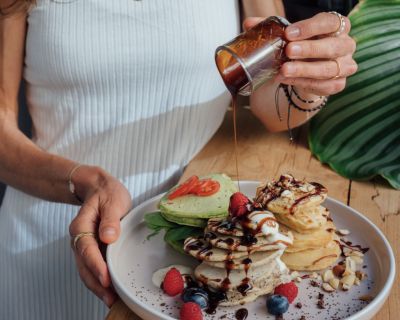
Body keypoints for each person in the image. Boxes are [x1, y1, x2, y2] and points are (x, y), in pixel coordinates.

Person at [0, 0, 357, 319]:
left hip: (200, 255)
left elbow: (272, 108)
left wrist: (307, 83)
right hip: (51, 239)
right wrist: (84, 182)